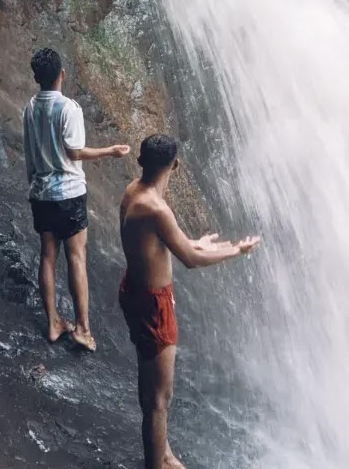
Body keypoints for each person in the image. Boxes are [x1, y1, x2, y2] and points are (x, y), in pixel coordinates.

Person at [119, 134, 259, 469]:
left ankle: (163, 453)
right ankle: (156, 464)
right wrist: (235, 251)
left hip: (134, 290)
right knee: (159, 399)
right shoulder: (156, 208)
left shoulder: (133, 192)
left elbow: (165, 244)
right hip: (154, 305)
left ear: (141, 162)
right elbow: (191, 259)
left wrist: (198, 242)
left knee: (150, 385)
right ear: (175, 165)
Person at [24, 47, 131, 352]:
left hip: (41, 192)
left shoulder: (30, 108)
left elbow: (30, 153)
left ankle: (53, 322)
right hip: (69, 193)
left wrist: (33, 185)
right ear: (62, 75)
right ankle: (82, 329)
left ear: (37, 78)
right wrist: (110, 151)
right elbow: (74, 152)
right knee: (76, 258)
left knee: (47, 255)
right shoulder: (69, 109)